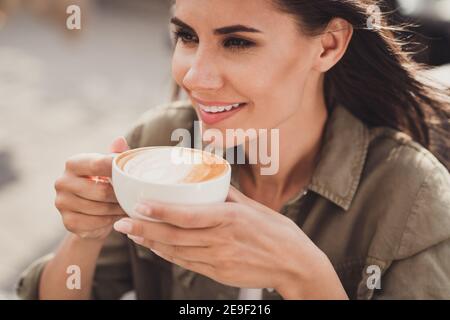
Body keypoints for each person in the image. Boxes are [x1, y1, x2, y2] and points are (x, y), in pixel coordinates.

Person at [17, 0, 450, 300]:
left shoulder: (414, 197)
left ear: (328, 45)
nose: (196, 77)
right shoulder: (158, 141)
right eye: (186, 36)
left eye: (238, 42)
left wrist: (304, 277)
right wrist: (84, 237)